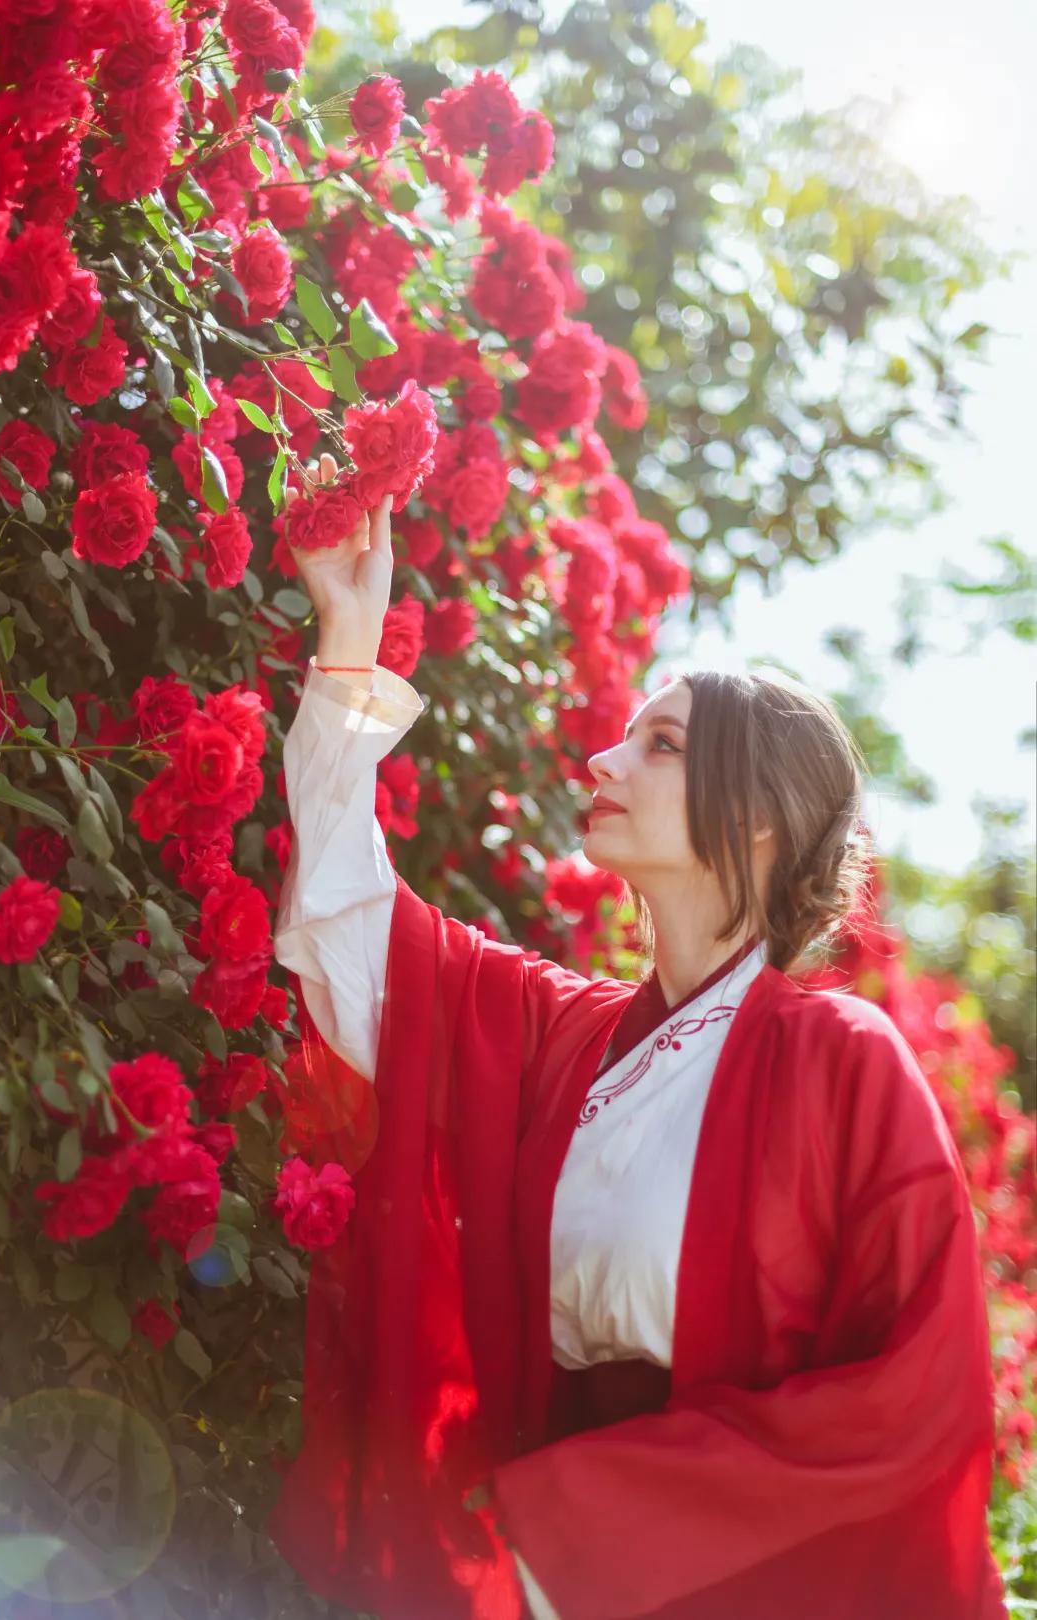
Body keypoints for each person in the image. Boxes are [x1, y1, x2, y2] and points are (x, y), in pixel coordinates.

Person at [266, 456, 1008, 1620]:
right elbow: (355, 933)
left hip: (736, 1581)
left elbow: (921, 1393)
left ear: (757, 815)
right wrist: (349, 641)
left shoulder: (846, 1062)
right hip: (558, 1572)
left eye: (659, 745)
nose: (603, 761)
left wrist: (593, 1521)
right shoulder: (570, 1037)